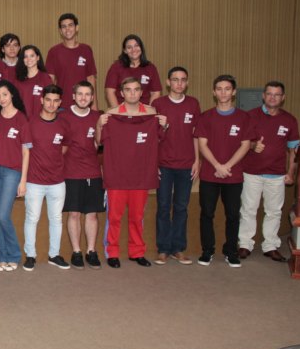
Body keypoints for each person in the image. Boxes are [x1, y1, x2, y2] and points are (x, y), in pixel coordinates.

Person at [96, 77, 166, 268]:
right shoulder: (111, 115)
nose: (132, 93)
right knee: (114, 217)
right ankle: (112, 253)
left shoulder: (151, 114)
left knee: (137, 217)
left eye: (136, 89)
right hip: (116, 176)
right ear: (122, 93)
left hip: (140, 176)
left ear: (141, 92)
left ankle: (137, 252)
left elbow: (160, 139)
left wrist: (164, 125)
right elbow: (98, 141)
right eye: (128, 89)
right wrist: (99, 125)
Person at [196, 74, 253, 268]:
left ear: (233, 92)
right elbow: (202, 145)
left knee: (233, 215)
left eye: (227, 89)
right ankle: (207, 250)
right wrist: (217, 166)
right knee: (207, 213)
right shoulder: (206, 117)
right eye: (219, 89)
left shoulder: (244, 117)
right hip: (209, 174)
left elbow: (245, 145)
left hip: (233, 175)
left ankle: (231, 251)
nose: (223, 92)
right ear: (214, 92)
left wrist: (227, 166)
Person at [238, 81, 300, 262]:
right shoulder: (250, 116)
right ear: (263, 96)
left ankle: (270, 246)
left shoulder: (290, 120)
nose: (273, 97)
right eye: (269, 94)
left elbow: (293, 150)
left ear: (283, 98)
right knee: (248, 210)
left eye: (277, 94)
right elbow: (240, 143)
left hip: (277, 174)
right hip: (251, 173)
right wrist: (253, 145)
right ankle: (245, 244)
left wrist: (291, 173)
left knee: (274, 212)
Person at [151, 67, 201, 265]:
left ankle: (178, 248)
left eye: (183, 79)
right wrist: (153, 163)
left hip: (186, 164)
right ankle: (163, 249)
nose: (179, 83)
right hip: (164, 165)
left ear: (187, 82)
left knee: (181, 207)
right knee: (163, 206)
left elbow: (196, 134)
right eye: (175, 79)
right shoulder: (158, 104)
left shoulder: (193, 103)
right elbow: (152, 137)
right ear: (168, 82)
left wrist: (197, 160)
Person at [0, 81, 31, 271]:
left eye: (4, 94)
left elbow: (26, 152)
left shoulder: (21, 119)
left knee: (3, 215)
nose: (1, 99)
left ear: (12, 94)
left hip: (12, 172)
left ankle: (14, 254)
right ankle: (2, 257)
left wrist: (23, 180)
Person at [24, 85, 70, 270]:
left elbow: (64, 148)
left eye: (55, 101)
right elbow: (25, 151)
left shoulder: (64, 124)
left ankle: (54, 255)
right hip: (34, 180)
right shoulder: (30, 122)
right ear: (42, 100)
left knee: (56, 219)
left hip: (57, 181)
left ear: (60, 103)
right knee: (32, 218)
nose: (51, 104)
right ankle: (30, 255)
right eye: (48, 100)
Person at [60, 81, 104, 269]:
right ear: (73, 96)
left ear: (92, 97)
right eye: (80, 94)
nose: (83, 98)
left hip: (93, 172)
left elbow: (100, 143)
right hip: (71, 172)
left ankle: (91, 251)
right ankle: (77, 251)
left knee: (92, 214)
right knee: (74, 213)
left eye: (87, 94)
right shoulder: (63, 116)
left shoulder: (97, 117)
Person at [45, 13, 97, 110]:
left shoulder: (86, 50)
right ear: (60, 31)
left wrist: (94, 106)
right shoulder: (54, 52)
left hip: (84, 104)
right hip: (61, 106)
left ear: (77, 28)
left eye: (70, 25)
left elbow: (91, 79)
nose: (67, 29)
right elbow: (50, 80)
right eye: (64, 26)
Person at [104, 34, 161, 108]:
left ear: (141, 48)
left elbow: (155, 93)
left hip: (144, 111)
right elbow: (110, 92)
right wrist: (118, 112)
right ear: (125, 51)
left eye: (136, 46)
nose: (133, 50)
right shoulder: (116, 67)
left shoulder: (151, 68)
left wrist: (149, 111)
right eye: (129, 47)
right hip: (121, 110)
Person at [15, 45, 55, 117]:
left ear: (38, 58)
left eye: (32, 56)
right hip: (22, 120)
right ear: (23, 60)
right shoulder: (18, 80)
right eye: (25, 56)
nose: (29, 59)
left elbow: (50, 101)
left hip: (40, 120)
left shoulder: (45, 78)